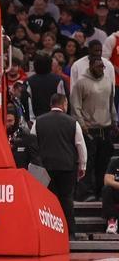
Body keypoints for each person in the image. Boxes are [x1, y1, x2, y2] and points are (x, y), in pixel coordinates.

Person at [32, 93, 87, 237]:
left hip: (45, 168)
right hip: (67, 167)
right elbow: (81, 146)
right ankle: (70, 233)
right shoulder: (72, 122)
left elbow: (32, 145)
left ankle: (49, 233)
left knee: (47, 200)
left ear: (51, 104)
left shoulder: (38, 122)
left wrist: (35, 167)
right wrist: (82, 166)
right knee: (66, 199)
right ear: (64, 104)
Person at [70, 55, 115, 200]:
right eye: (98, 66)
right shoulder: (81, 83)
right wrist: (82, 125)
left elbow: (111, 104)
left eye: (102, 66)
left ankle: (101, 192)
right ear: (90, 66)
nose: (101, 69)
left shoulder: (108, 81)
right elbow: (75, 106)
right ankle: (85, 193)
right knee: (87, 163)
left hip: (105, 128)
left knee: (103, 163)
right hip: (89, 129)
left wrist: (114, 121)